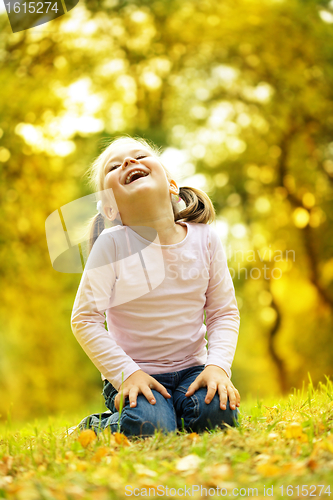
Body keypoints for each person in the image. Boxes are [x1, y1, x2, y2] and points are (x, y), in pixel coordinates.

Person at [71, 136, 241, 437]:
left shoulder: (206, 239)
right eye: (114, 165)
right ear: (110, 208)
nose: (128, 162)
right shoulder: (111, 246)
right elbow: (85, 319)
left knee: (219, 414)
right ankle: (96, 427)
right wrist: (126, 375)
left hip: (193, 370)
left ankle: (175, 409)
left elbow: (223, 314)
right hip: (134, 373)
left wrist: (217, 367)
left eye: (139, 155)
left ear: (172, 185)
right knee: (151, 427)